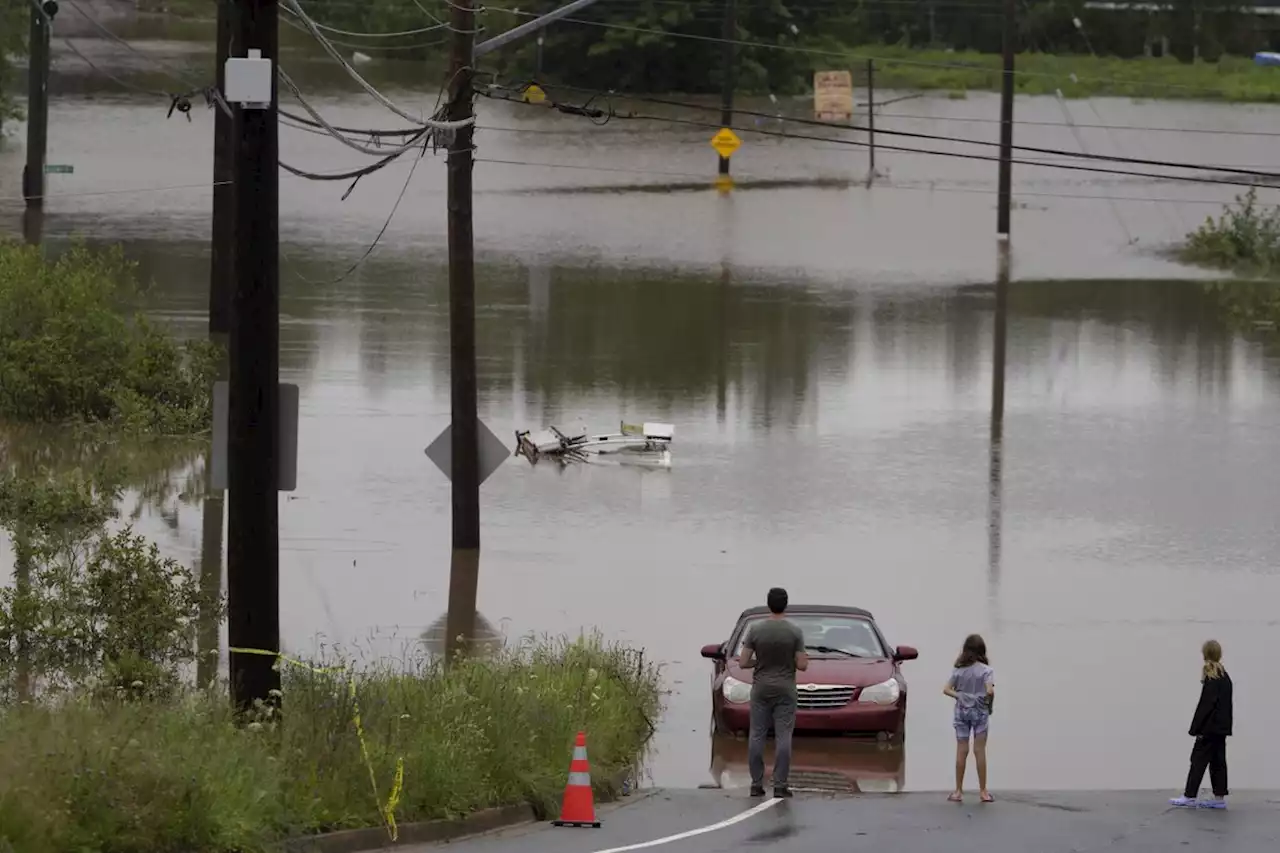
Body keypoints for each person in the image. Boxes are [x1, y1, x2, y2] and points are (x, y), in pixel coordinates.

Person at [738, 587, 808, 799]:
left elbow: (742, 662)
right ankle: (780, 785)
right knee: (783, 736)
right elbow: (802, 665)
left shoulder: (755, 630)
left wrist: (759, 662)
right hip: (785, 689)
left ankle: (756, 784)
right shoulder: (795, 632)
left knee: (757, 734)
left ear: (768, 604)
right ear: (786, 605)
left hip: (761, 688)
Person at [1170, 640, 1233, 809]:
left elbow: (1205, 706)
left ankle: (1189, 795)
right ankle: (1219, 798)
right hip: (1221, 729)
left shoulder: (1211, 675)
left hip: (1209, 729)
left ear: (1205, 654)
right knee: (1218, 762)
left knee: (1197, 760)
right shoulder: (1225, 676)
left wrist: (1196, 729)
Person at [943, 633, 995, 804]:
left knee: (961, 750)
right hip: (980, 712)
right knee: (979, 751)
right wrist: (989, 704)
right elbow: (989, 691)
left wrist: (960, 696)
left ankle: (958, 791)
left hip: (962, 712)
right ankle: (983, 791)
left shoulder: (958, 671)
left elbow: (946, 689)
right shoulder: (987, 671)